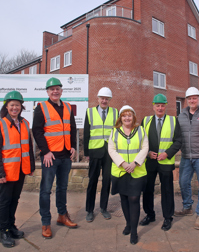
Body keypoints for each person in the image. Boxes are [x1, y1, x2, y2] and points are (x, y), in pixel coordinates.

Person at [32, 77, 78, 239]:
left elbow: (72, 128)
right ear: (47, 91)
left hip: (65, 155)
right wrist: (45, 151)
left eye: (57, 88)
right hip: (50, 157)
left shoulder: (67, 106)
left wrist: (73, 146)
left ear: (61, 90)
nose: (55, 91)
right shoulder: (41, 107)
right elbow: (37, 131)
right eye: (52, 89)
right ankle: (45, 222)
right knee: (45, 190)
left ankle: (62, 215)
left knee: (62, 188)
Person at [0, 91, 35, 248]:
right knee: (5, 201)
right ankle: (3, 231)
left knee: (15, 200)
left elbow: (28, 147)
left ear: (21, 107)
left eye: (17, 105)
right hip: (6, 172)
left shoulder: (24, 123)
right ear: (6, 107)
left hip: (21, 170)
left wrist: (31, 166)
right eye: (12, 105)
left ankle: (11, 226)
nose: (15, 108)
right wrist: (0, 173)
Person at [139, 94, 182, 231]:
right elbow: (140, 141)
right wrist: (147, 153)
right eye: (157, 105)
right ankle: (150, 214)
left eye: (162, 105)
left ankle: (168, 218)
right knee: (147, 190)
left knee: (167, 191)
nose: (160, 108)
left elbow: (178, 141)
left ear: (165, 106)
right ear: (153, 106)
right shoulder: (145, 121)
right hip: (149, 162)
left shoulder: (173, 121)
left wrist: (167, 153)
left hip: (166, 162)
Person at [108, 105, 149, 245]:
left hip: (136, 171)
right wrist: (123, 163)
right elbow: (111, 149)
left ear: (133, 117)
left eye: (129, 115)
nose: (127, 118)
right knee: (124, 199)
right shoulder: (114, 132)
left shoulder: (140, 130)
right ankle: (128, 224)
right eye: (124, 115)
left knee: (134, 199)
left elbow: (145, 148)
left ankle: (134, 231)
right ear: (120, 118)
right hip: (121, 171)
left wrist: (135, 163)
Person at [174, 87, 199, 231]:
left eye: (194, 98)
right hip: (186, 156)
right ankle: (187, 207)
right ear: (186, 100)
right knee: (183, 183)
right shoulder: (181, 115)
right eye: (189, 98)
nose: (192, 100)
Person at [84, 87, 118, 222]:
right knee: (92, 181)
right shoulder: (90, 112)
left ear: (109, 100)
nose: (104, 101)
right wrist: (86, 153)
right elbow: (87, 133)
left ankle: (104, 208)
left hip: (109, 152)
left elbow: (118, 132)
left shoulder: (115, 112)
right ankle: (89, 210)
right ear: (97, 99)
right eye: (102, 98)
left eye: (106, 99)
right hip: (94, 151)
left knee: (107, 181)